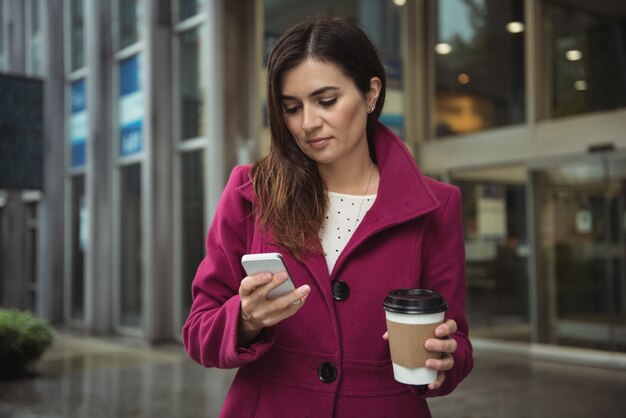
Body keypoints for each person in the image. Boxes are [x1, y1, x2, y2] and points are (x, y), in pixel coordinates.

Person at [183, 15, 473, 417]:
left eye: (326, 101)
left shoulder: (437, 206)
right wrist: (246, 318)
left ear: (371, 93)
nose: (307, 124)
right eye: (291, 108)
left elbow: (458, 345)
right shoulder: (251, 192)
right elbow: (199, 333)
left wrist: (445, 361)